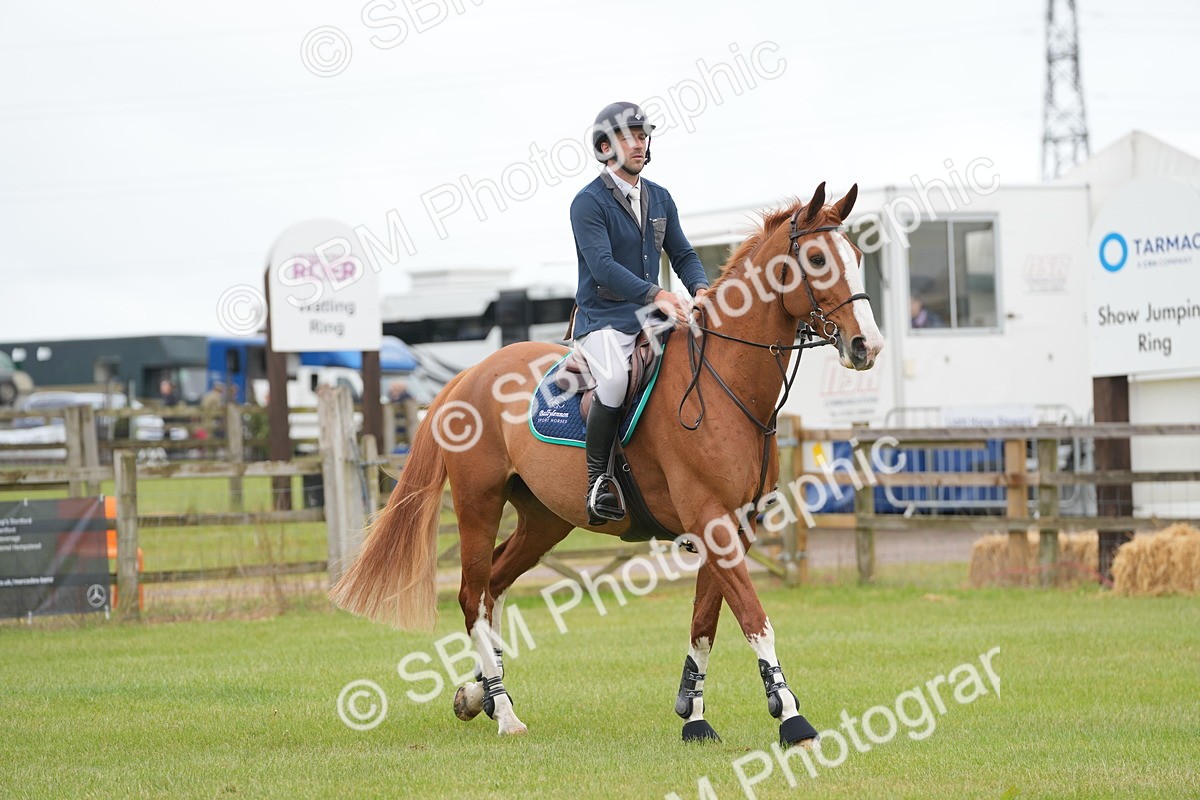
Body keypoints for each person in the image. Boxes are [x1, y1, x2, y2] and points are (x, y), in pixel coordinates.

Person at [569, 101, 710, 524]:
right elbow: (602, 267)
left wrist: (701, 288)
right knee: (614, 380)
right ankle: (598, 482)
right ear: (605, 147)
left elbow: (683, 254)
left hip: (652, 317)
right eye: (628, 136)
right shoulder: (587, 203)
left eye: (642, 135)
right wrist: (657, 294)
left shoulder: (660, 198)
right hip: (603, 320)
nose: (639, 143)